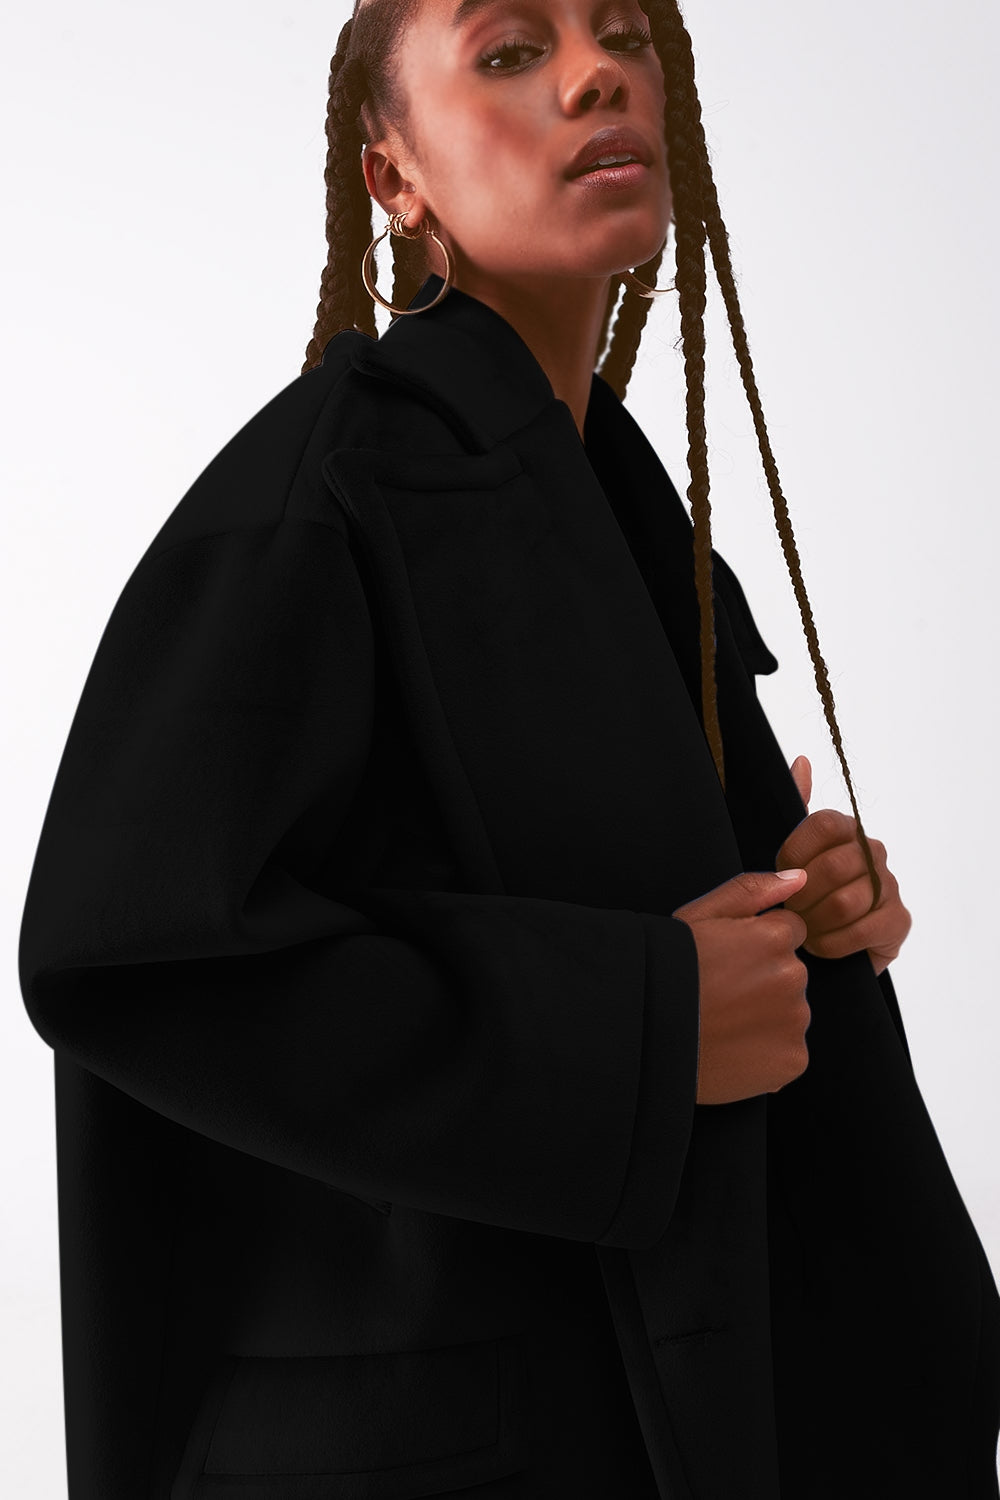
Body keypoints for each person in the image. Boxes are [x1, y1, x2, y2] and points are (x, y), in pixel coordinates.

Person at [18, 0, 1000, 1495]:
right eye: (510, 51)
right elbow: (131, 957)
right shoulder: (319, 497)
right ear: (393, 175)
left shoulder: (608, 497)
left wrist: (803, 915)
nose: (599, 72)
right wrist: (645, 1029)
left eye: (624, 34)